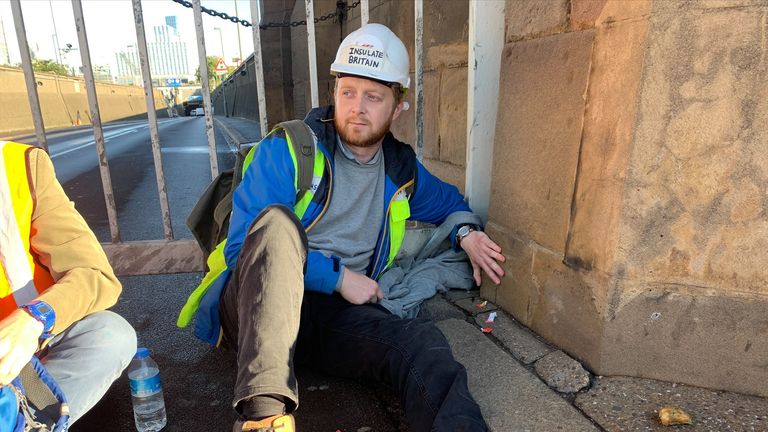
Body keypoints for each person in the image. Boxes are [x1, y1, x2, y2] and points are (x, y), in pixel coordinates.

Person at [195, 23, 505, 432]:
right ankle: (264, 415)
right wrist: (340, 278)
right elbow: (249, 246)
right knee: (275, 223)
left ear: (397, 107)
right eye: (348, 92)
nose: (357, 107)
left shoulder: (400, 169)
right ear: (335, 93)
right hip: (255, 307)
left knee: (422, 347)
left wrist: (466, 233)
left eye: (373, 97)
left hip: (332, 319)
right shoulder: (289, 149)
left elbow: (449, 202)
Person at [0, 141, 137, 424]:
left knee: (110, 334)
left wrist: (34, 318)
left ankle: (26, 422)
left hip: (24, 352)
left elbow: (93, 274)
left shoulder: (18, 165)